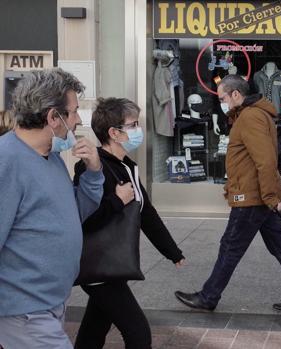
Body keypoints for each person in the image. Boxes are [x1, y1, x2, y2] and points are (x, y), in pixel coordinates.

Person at [174, 74, 281, 313]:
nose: (222, 103)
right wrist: (235, 187)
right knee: (280, 246)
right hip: (257, 194)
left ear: (236, 94)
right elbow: (248, 161)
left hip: (253, 198)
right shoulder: (251, 115)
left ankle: (208, 297)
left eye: (223, 98)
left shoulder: (250, 117)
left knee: (230, 246)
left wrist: (271, 197)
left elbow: (265, 161)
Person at [0, 68, 104, 348]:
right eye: (73, 112)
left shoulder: (51, 157)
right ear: (52, 117)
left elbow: (74, 213)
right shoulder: (6, 161)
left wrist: (93, 173)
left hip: (49, 303)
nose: (78, 119)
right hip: (23, 310)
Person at [73, 97, 186, 349]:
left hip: (111, 265)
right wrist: (116, 199)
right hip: (98, 264)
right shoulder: (91, 167)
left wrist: (172, 252)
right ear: (114, 132)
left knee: (93, 331)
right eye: (133, 124)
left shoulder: (126, 167)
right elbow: (85, 218)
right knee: (138, 334)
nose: (139, 130)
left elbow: (147, 214)